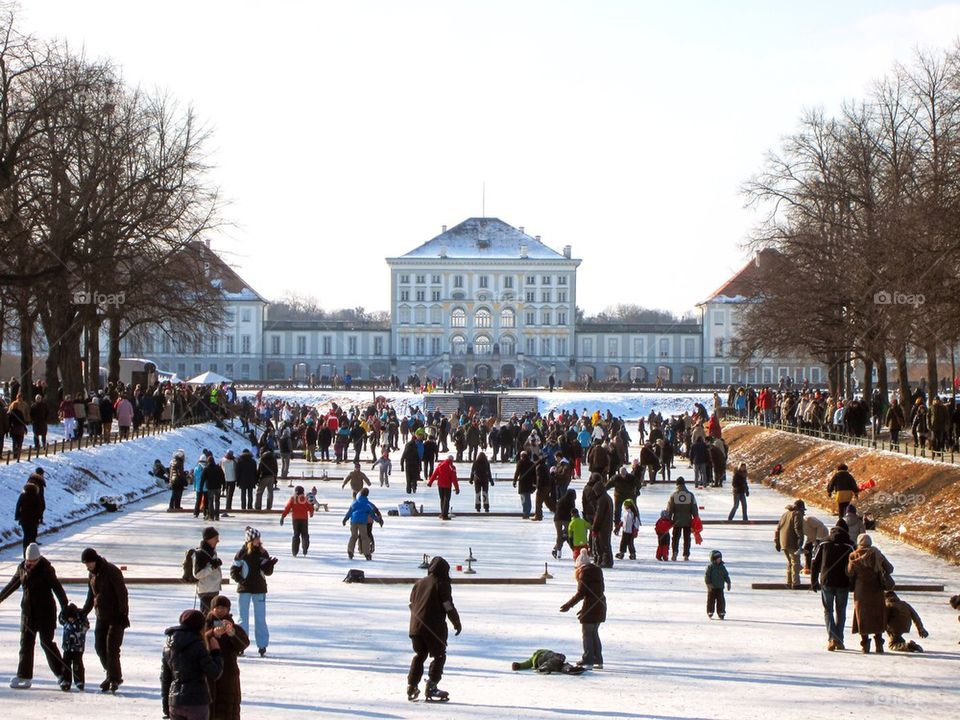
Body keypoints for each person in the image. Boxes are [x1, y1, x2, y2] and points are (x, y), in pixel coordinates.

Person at [0, 543, 68, 690]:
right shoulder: (22, 568)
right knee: (25, 644)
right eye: (28, 561)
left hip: (45, 613)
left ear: (38, 559)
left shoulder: (46, 569)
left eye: (33, 561)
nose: (30, 564)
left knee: (46, 643)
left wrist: (65, 608)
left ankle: (62, 674)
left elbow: (58, 589)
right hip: (28, 613)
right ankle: (24, 675)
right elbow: (13, 585)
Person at [407, 556, 461, 702]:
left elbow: (412, 604)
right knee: (439, 655)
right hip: (432, 627)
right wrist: (456, 621)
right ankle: (432, 685)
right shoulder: (441, 583)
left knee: (420, 655)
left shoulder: (418, 583)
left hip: (415, 628)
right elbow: (447, 604)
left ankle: (412, 686)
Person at [160, 609, 224, 720]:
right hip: (197, 701)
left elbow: (165, 678)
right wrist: (216, 653)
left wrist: (166, 704)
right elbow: (214, 673)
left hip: (175, 702)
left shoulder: (168, 646)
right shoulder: (198, 645)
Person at [80, 547, 129, 693]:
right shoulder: (92, 575)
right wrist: (84, 612)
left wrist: (123, 614)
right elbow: (92, 596)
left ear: (95, 560)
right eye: (85, 564)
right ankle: (112, 674)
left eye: (89, 563)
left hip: (116, 616)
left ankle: (114, 679)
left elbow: (122, 593)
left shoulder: (112, 571)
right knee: (99, 647)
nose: (88, 566)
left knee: (112, 648)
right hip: (101, 615)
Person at [230, 527, 277, 657]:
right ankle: (240, 644)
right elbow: (233, 570)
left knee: (260, 618)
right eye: (256, 538)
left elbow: (267, 572)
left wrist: (269, 566)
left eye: (259, 538)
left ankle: (262, 645)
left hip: (259, 589)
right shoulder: (242, 553)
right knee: (242, 618)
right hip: (244, 590)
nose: (258, 541)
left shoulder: (263, 553)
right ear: (250, 540)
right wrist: (241, 580)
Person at [846, 533, 894, 653]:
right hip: (876, 589)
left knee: (862, 615)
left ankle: (865, 645)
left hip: (861, 590)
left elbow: (850, 573)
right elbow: (890, 569)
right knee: (877, 614)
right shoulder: (877, 553)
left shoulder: (853, 555)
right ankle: (879, 644)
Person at [204, 595, 250, 719]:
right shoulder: (204, 625)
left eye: (224, 608)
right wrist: (212, 634)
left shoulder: (234, 627)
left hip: (228, 674)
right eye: (217, 607)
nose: (220, 610)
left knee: (228, 710)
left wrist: (232, 633)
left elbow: (243, 645)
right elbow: (199, 643)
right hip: (209, 674)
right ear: (212, 608)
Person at [810, 525, 855, 651]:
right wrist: (854, 583)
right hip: (843, 582)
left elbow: (815, 562)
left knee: (828, 610)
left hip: (827, 581)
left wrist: (813, 580)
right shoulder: (850, 545)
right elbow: (855, 565)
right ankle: (839, 639)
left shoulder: (824, 543)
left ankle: (832, 638)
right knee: (841, 611)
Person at [559, 552, 606, 670]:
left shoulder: (584, 573)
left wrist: (568, 605)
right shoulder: (597, 572)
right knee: (594, 632)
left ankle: (588, 660)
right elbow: (594, 592)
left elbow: (581, 593)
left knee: (587, 634)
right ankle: (597, 659)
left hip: (591, 607)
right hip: (600, 605)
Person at [343, 488, 381, 560]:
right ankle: (367, 554)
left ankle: (350, 551)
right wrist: (378, 520)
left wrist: (345, 519)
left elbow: (350, 511)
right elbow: (372, 514)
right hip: (362, 522)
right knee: (364, 537)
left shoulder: (355, 502)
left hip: (353, 522)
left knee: (353, 536)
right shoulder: (367, 503)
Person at [667, 477, 699, 561]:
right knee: (687, 538)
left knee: (675, 538)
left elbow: (670, 509)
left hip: (676, 521)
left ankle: (674, 553)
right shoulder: (690, 495)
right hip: (688, 520)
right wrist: (696, 518)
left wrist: (668, 520)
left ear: (677, 484)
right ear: (684, 484)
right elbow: (694, 508)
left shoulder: (674, 495)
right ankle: (686, 555)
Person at [59, 602, 89, 691]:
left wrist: (80, 622)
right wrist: (63, 611)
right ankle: (66, 680)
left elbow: (86, 626)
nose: (71, 619)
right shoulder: (65, 621)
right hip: (67, 647)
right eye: (69, 618)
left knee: (78, 664)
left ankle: (79, 681)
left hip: (78, 648)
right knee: (66, 664)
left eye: (72, 618)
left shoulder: (81, 620)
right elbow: (60, 619)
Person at [194, 527, 223, 614]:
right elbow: (197, 574)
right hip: (206, 591)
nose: (218, 541)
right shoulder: (200, 553)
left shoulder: (212, 551)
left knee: (213, 617)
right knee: (206, 617)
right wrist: (212, 567)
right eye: (216, 538)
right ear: (208, 539)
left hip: (213, 589)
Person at [280, 485, 315, 557]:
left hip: (295, 519)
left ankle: (294, 551)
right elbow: (311, 507)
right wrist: (311, 513)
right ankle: (305, 548)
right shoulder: (305, 499)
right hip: (304, 519)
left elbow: (287, 508)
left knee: (296, 535)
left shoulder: (293, 499)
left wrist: (283, 517)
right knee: (305, 534)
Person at [428, 455, 460, 521]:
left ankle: (442, 513)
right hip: (447, 486)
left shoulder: (440, 465)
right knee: (446, 500)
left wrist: (430, 482)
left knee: (442, 499)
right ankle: (444, 515)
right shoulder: (452, 467)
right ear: (452, 460)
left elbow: (435, 474)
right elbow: (454, 479)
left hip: (440, 485)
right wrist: (457, 488)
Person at [14, 483, 43, 551]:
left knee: (26, 535)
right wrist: (40, 518)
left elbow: (18, 506)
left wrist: (17, 516)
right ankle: (32, 552)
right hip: (33, 519)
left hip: (24, 519)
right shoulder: (36, 496)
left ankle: (25, 551)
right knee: (33, 535)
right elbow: (39, 508)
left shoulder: (22, 495)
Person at [704, 549, 732, 619]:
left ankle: (721, 612)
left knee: (721, 600)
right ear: (713, 559)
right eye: (717, 559)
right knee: (711, 600)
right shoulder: (710, 567)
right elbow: (707, 576)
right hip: (712, 587)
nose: (719, 560)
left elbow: (726, 575)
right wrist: (708, 584)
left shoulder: (722, 567)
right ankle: (710, 611)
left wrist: (728, 582)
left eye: (720, 558)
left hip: (720, 587)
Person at [553, 489, 577, 559]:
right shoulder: (571, 501)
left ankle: (558, 550)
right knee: (568, 534)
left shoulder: (561, 500)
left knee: (559, 535)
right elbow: (572, 511)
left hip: (557, 519)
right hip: (566, 519)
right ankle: (573, 549)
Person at [513, 451, 536, 519]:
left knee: (523, 498)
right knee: (528, 498)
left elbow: (517, 472)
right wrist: (534, 484)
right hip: (529, 483)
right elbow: (534, 475)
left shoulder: (520, 463)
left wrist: (514, 481)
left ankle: (525, 512)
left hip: (522, 483)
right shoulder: (532, 463)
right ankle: (527, 512)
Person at [220, 450, 237, 515]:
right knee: (230, 494)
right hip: (232, 479)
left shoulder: (222, 460)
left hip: (225, 479)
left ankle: (228, 506)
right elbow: (236, 469)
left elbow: (221, 468)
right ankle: (228, 506)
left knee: (227, 493)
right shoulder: (234, 461)